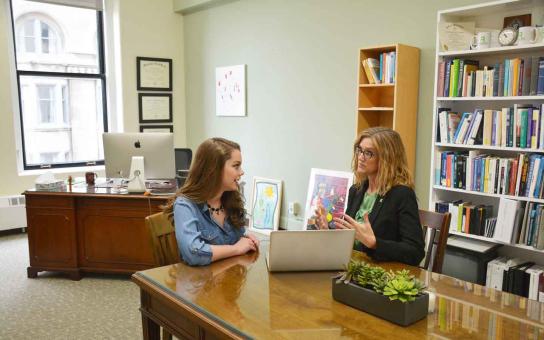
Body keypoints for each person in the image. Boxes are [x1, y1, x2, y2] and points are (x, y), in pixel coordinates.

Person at [315, 127, 425, 266]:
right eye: (359, 150)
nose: (360, 157)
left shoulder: (402, 194)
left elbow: (415, 252)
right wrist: (326, 231)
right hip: (352, 267)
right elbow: (350, 238)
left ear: (387, 159)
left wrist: (375, 243)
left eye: (369, 153)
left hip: (383, 275)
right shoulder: (356, 190)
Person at [163, 137, 259, 266]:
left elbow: (236, 238)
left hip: (227, 278)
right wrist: (237, 248)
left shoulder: (231, 199)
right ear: (214, 169)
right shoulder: (184, 205)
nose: (241, 172)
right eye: (236, 166)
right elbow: (194, 254)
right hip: (198, 282)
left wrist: (246, 238)